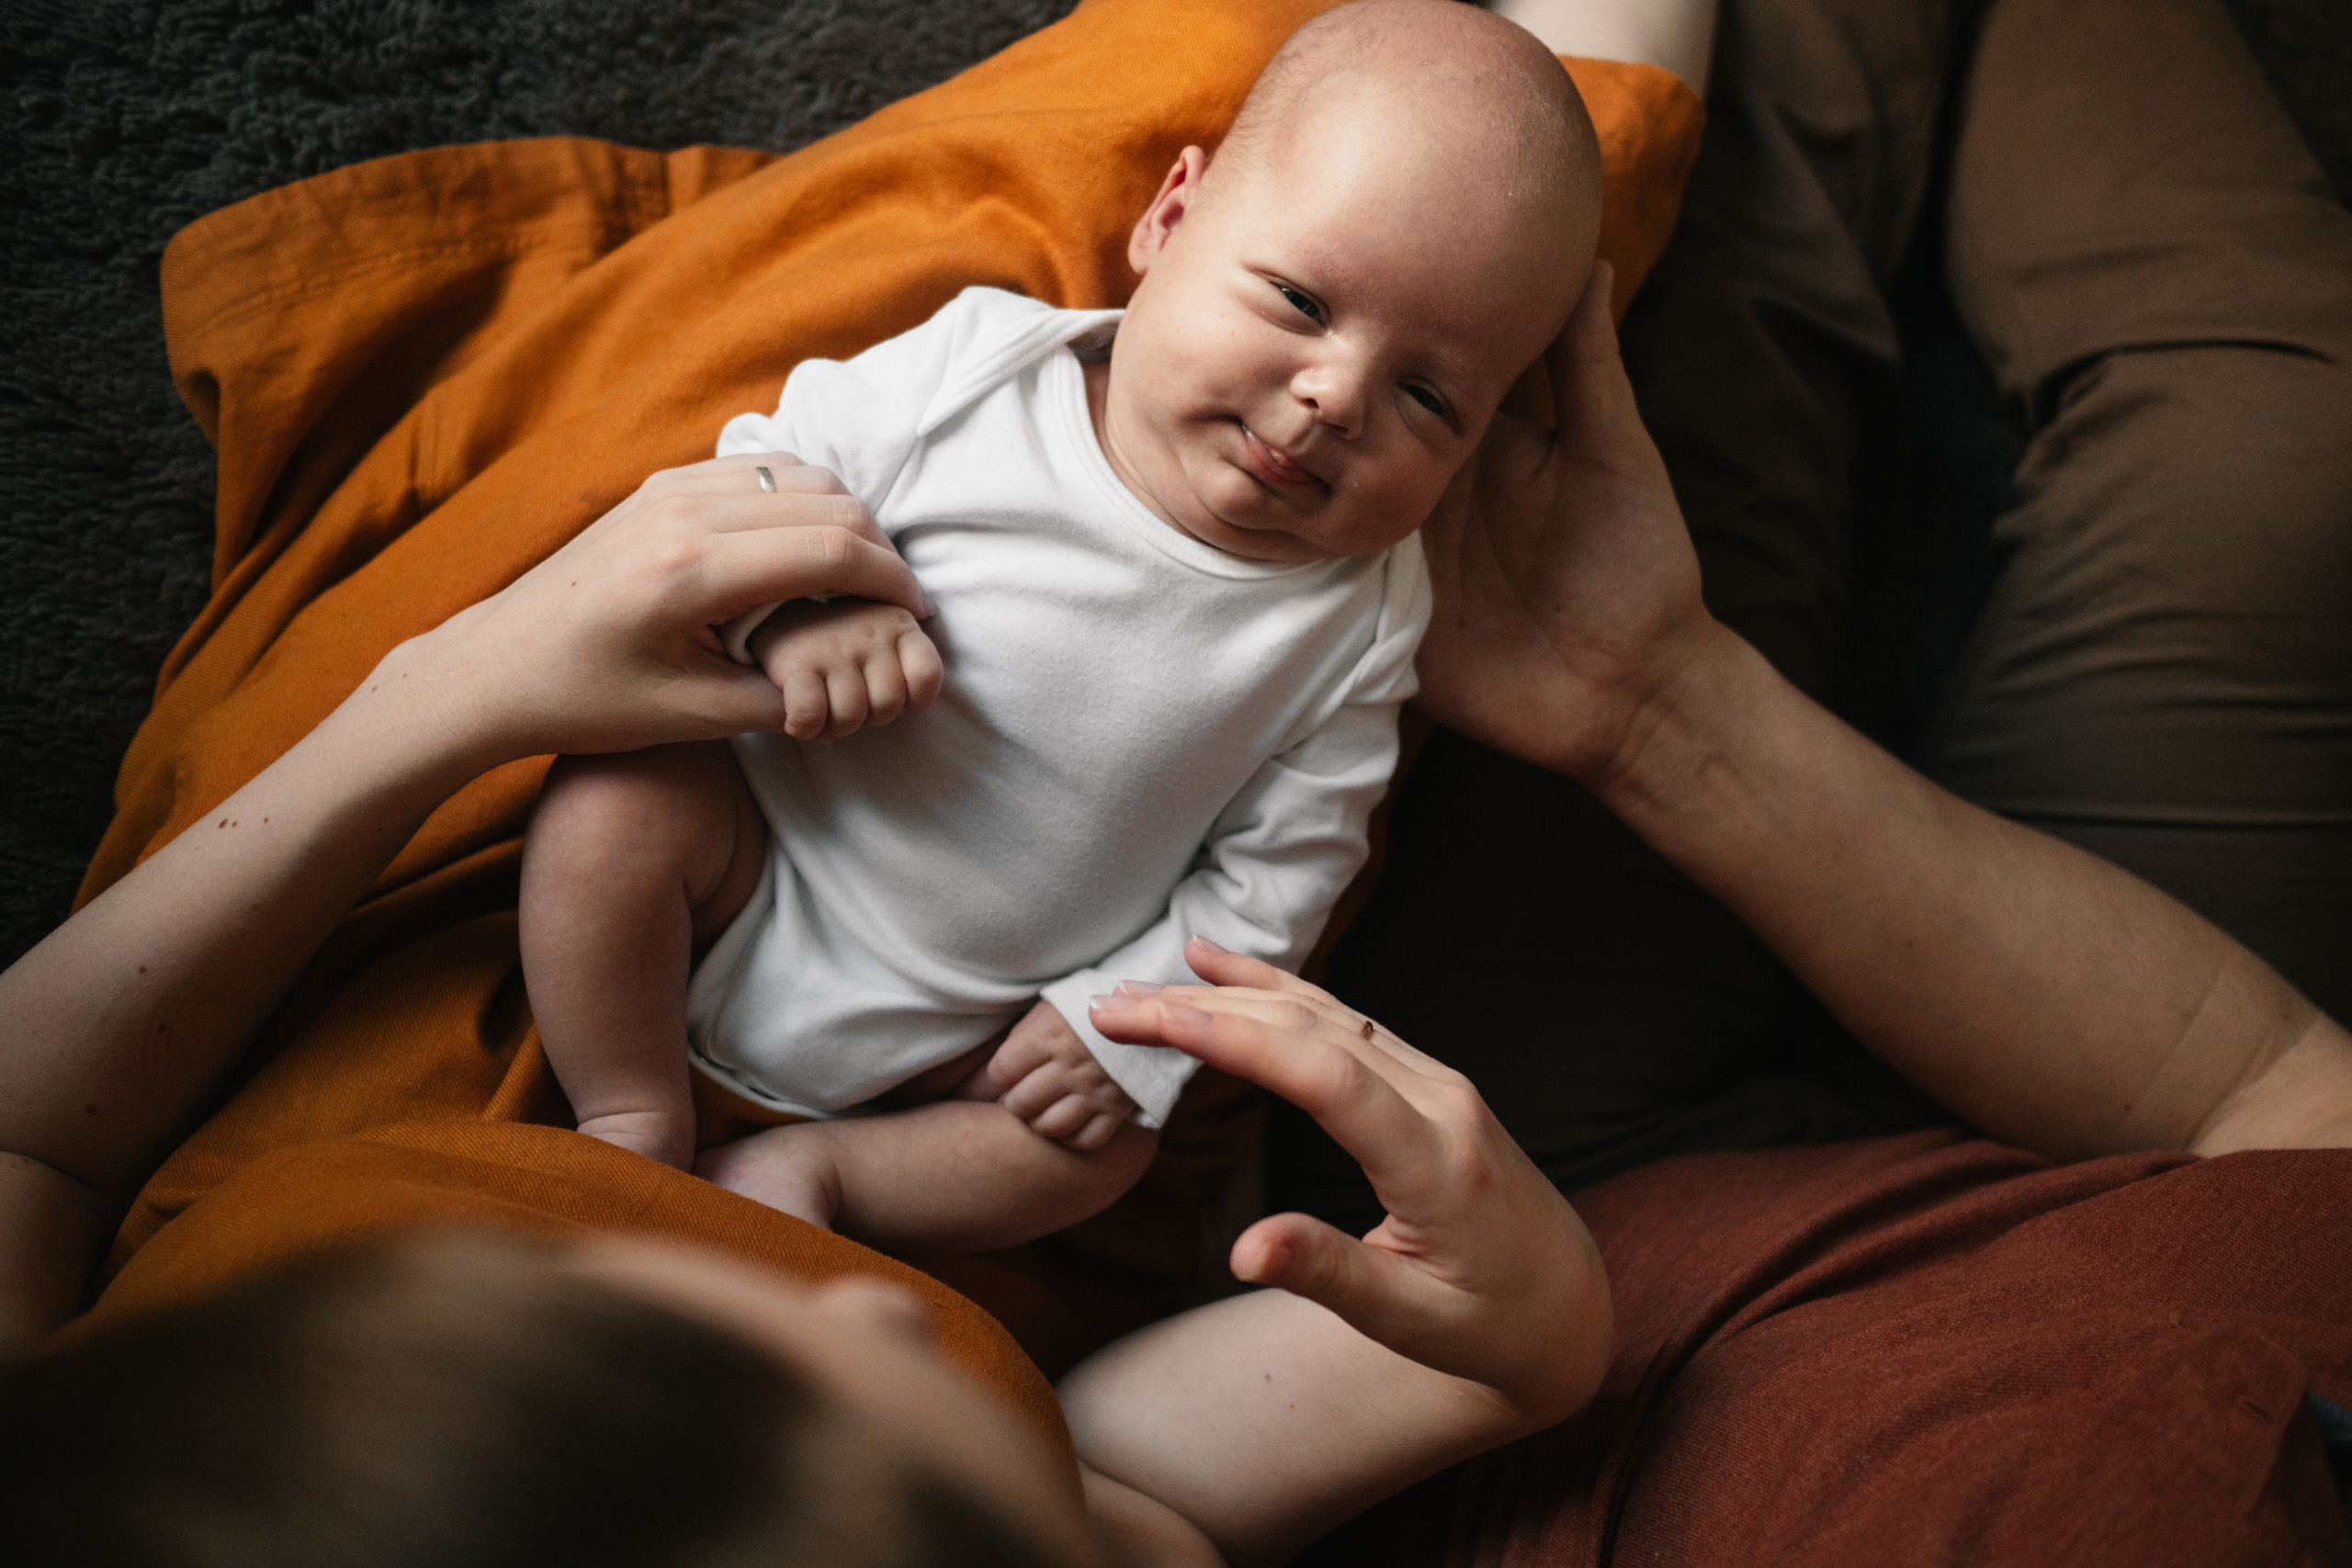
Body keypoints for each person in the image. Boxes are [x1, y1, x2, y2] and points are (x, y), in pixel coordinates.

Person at [6, 0, 2350, 1560]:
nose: (839, 1296)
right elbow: (1288, 1367)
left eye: (1409, 390)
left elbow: (34, 1122)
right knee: (2236, 440)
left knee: (1607, 152)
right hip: (1469, 1131)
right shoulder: (1035, 1475)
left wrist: (464, 678)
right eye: (911, 1393)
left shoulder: (148, 1452)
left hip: (607, 875)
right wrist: (1497, 1293)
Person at [514, 0, 1606, 1255]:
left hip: (980, 1034)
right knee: (610, 806)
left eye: (1429, 395)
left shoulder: (1360, 623)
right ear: (1171, 221)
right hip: (754, 852)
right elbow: (767, 462)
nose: (1336, 396)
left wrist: (1111, 1020)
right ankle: (631, 1113)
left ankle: (818, 1173)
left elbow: (1284, 871)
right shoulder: (980, 374)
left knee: (1097, 1151)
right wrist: (798, 606)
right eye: (1301, 300)